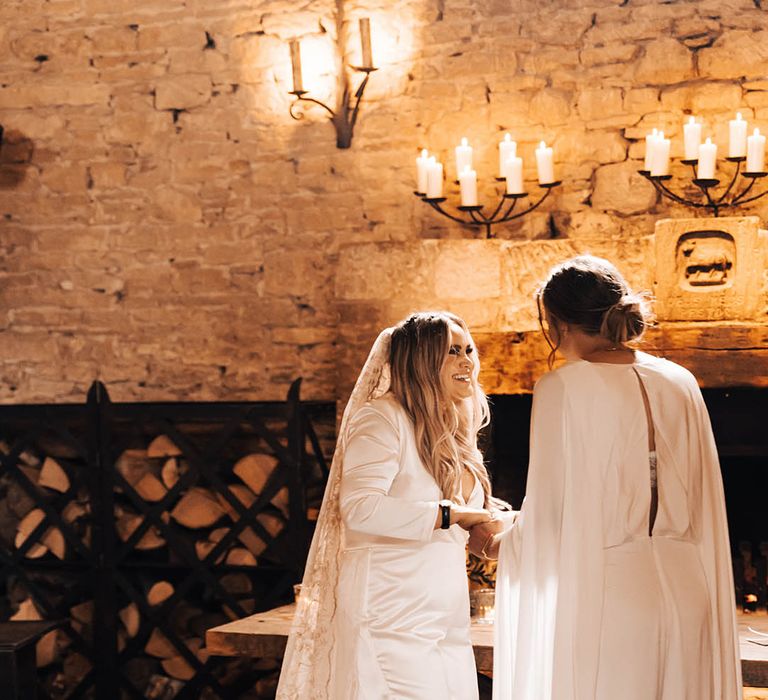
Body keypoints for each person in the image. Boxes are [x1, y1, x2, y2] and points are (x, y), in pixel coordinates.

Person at [473, 255, 741, 700]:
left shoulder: (563, 387)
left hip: (612, 597)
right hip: (691, 588)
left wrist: (491, 543)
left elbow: (552, 518)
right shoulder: (680, 380)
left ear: (556, 323)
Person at [277, 311, 503, 700]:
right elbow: (360, 507)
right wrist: (453, 513)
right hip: (390, 612)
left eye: (469, 349)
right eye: (452, 351)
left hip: (445, 613)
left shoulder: (454, 436)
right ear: (420, 359)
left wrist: (504, 534)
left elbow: (462, 527)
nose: (468, 361)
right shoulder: (382, 418)